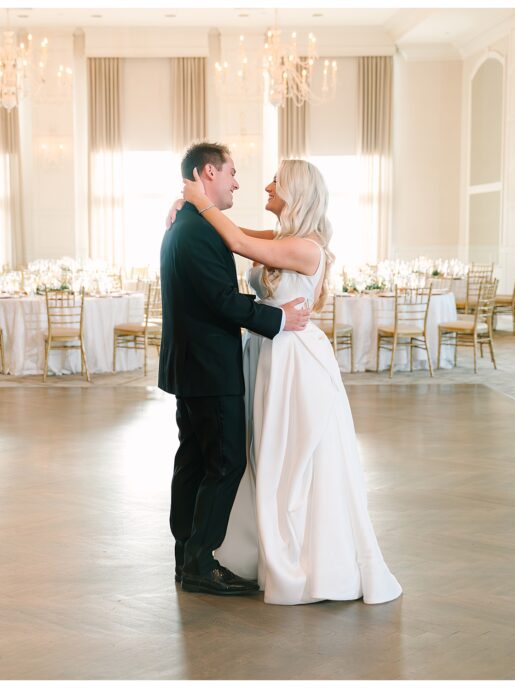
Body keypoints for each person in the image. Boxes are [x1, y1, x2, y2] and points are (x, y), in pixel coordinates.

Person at [180, 159, 403, 606]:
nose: (265, 185)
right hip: (266, 355)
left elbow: (239, 240)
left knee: (293, 458)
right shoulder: (283, 239)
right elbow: (236, 237)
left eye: (275, 182)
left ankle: (306, 556)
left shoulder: (307, 249)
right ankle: (260, 548)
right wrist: (189, 214)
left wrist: (196, 200)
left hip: (294, 363)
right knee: (264, 453)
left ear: (295, 192)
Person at [158, 142, 311, 597]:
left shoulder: (190, 224)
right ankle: (201, 562)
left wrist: (190, 203)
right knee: (223, 464)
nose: (238, 182)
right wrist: (280, 319)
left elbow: (240, 242)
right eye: (232, 173)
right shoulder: (198, 230)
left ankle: (186, 551)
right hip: (210, 368)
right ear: (208, 173)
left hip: (193, 367)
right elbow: (222, 303)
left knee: (193, 459)